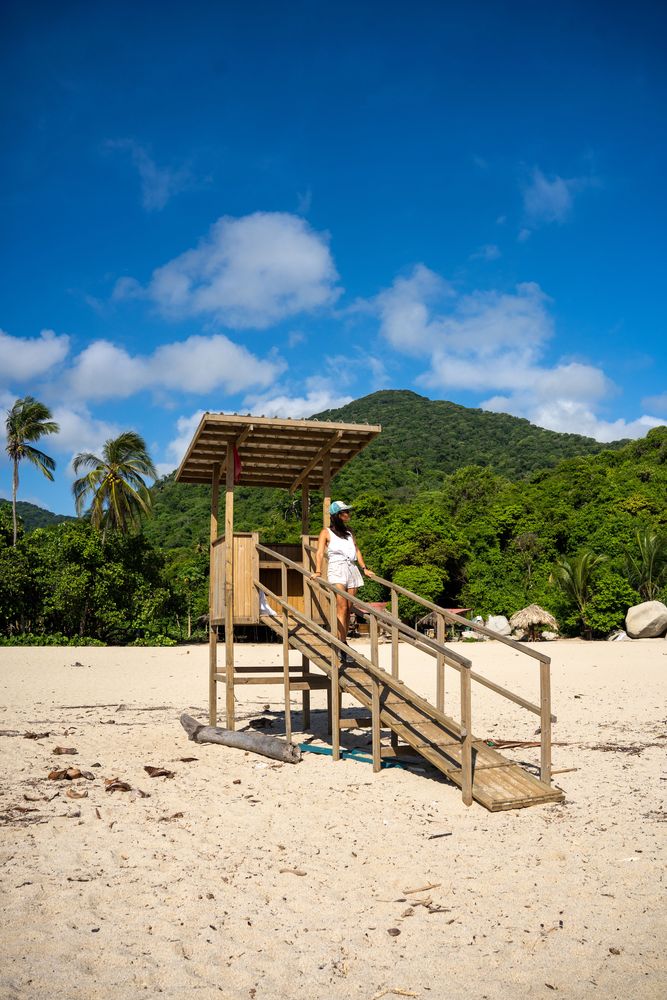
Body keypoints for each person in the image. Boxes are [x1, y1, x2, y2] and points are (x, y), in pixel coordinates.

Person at [315, 501, 374, 661]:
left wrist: (364, 568)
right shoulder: (326, 532)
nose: (348, 514)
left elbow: (356, 549)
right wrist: (318, 571)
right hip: (337, 568)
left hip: (352, 569)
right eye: (344, 511)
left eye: (348, 511)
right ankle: (341, 644)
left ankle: (343, 641)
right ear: (337, 515)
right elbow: (320, 553)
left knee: (349, 607)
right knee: (341, 606)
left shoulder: (349, 531)